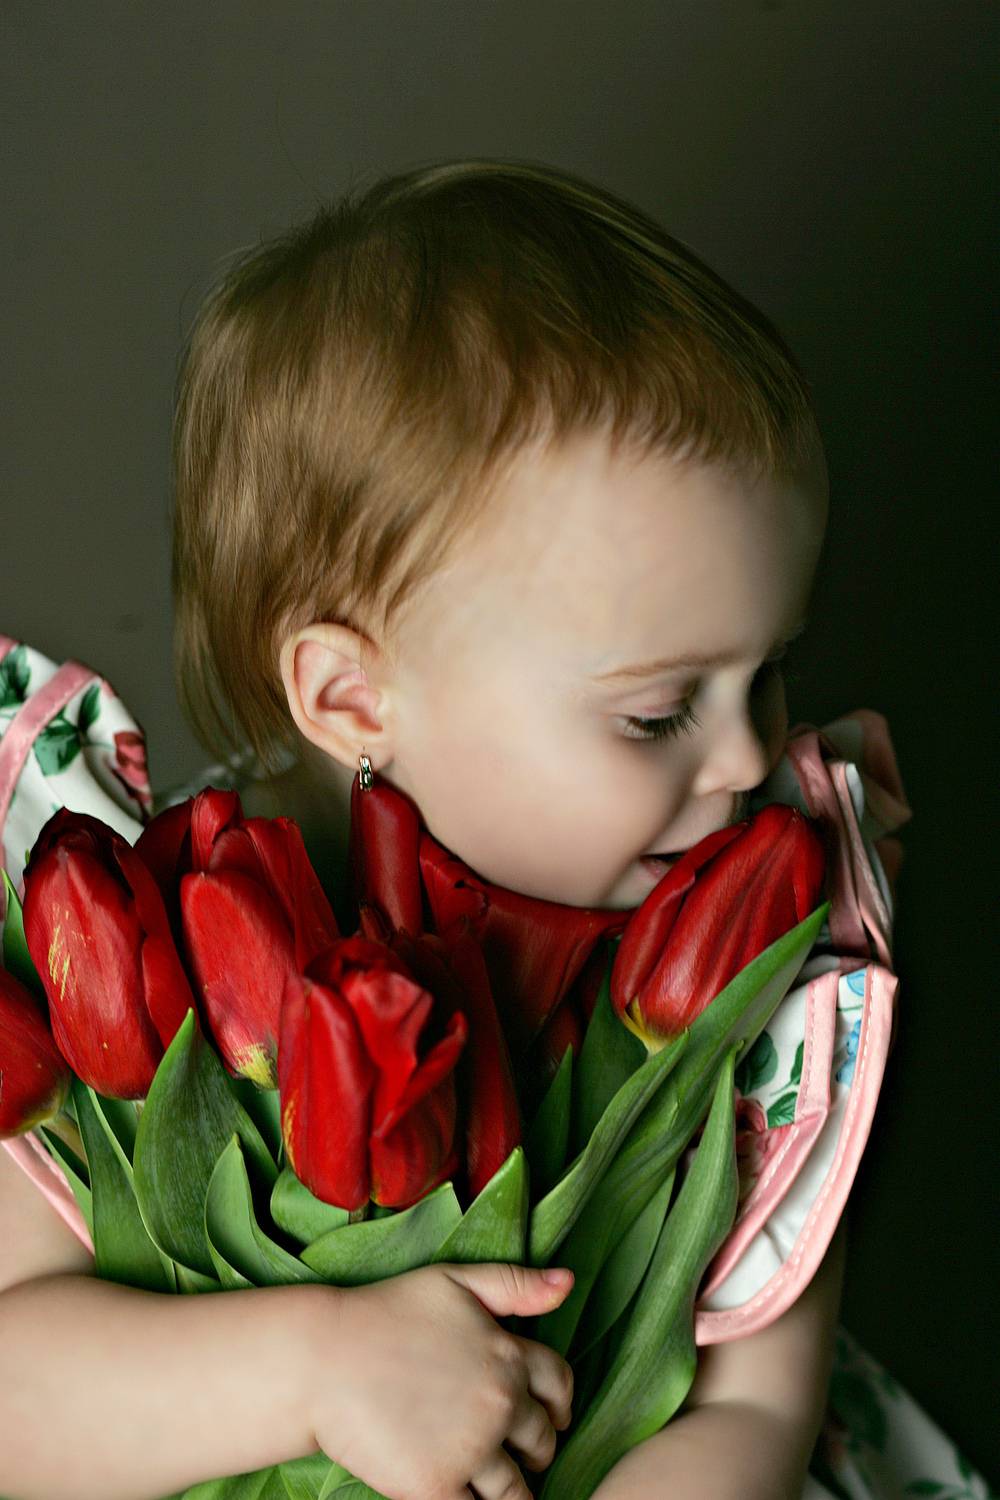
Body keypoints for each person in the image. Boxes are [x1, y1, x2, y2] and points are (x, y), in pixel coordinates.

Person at [0, 160, 990, 1500]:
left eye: (766, 676)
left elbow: (755, 1411)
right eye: (658, 712)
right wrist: (314, 1370)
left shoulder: (746, 963)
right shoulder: (144, 947)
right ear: (352, 699)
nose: (749, 758)